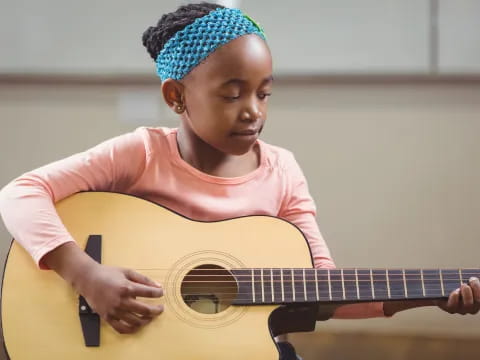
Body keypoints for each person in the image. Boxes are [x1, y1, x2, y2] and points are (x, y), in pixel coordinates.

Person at [0, 2, 479, 359]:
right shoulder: (142, 152)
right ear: (176, 96)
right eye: (232, 94)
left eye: (264, 93)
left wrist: (428, 295)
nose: (253, 110)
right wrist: (87, 276)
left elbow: (323, 290)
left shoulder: (282, 171)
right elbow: (20, 193)